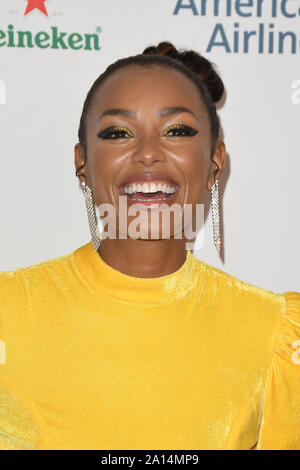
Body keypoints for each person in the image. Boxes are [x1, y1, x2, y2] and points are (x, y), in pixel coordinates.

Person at [0, 41, 299, 451]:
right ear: (82, 163)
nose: (147, 154)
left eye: (177, 131)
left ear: (215, 161)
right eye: (118, 133)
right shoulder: (7, 310)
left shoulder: (274, 333)